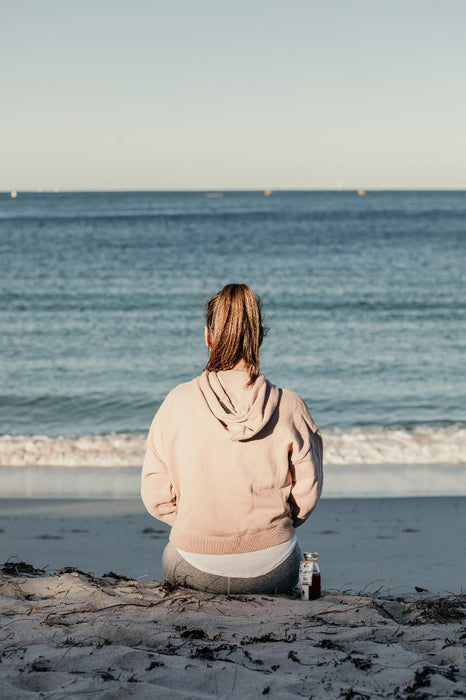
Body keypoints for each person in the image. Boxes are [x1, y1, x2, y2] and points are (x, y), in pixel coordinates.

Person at [141, 283, 323, 594]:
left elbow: (156, 498)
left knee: (174, 557)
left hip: (193, 564)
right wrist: (271, 525)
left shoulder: (177, 402)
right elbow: (306, 495)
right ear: (260, 336)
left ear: (208, 336)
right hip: (272, 566)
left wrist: (197, 524)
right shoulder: (290, 405)